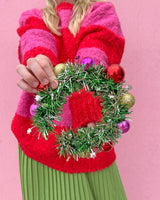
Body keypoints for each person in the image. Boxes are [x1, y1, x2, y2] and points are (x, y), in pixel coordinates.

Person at [11, 0, 127, 199]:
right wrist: (39, 62)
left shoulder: (101, 12)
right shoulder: (34, 18)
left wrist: (85, 100)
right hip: (40, 138)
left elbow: (96, 49)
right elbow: (36, 41)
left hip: (89, 135)